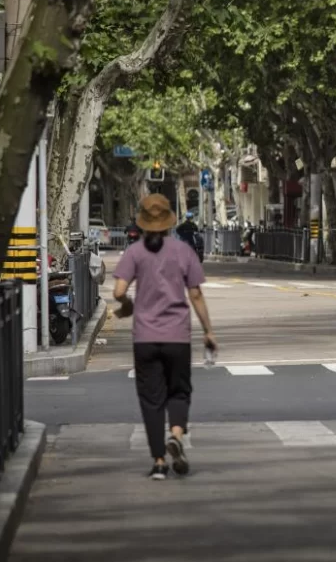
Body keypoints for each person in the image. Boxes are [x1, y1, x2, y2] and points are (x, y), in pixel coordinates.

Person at [113, 194, 217, 480]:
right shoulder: (184, 252)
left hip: (144, 338)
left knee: (151, 399)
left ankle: (159, 461)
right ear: (170, 223)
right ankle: (176, 435)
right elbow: (195, 293)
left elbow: (119, 292)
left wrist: (127, 308)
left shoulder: (134, 252)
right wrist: (208, 330)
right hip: (177, 337)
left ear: (143, 224)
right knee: (179, 392)